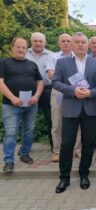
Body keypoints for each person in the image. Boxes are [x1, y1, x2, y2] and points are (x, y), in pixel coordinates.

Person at [52, 32, 96, 193]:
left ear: (88, 45)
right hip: (70, 108)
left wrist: (91, 93)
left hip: (90, 108)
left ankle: (84, 174)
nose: (81, 44)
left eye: (83, 42)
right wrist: (72, 90)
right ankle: (64, 178)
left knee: (88, 144)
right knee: (67, 144)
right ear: (72, 45)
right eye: (77, 42)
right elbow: (55, 82)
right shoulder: (62, 62)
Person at [0, 37, 44, 172]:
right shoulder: (4, 63)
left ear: (27, 49)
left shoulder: (32, 64)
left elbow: (40, 82)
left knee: (29, 131)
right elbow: (0, 82)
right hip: (11, 105)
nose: (21, 50)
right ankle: (8, 161)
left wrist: (36, 96)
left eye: (24, 47)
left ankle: (25, 154)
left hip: (30, 105)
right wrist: (12, 98)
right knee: (11, 133)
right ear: (12, 47)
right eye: (18, 47)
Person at [47, 33, 82, 162]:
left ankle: (77, 149)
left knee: (78, 120)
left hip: (77, 92)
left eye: (68, 41)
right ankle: (57, 151)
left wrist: (62, 76)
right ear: (59, 43)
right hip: (59, 93)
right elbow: (51, 75)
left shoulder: (78, 56)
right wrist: (69, 81)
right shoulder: (53, 56)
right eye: (63, 41)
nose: (66, 43)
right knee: (56, 122)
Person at [26, 32, 53, 150]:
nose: (38, 43)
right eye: (35, 41)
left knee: (51, 119)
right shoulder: (24, 54)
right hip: (29, 91)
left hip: (48, 90)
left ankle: (55, 147)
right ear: (31, 41)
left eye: (40, 41)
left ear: (45, 42)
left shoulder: (51, 55)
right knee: (27, 119)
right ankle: (25, 148)